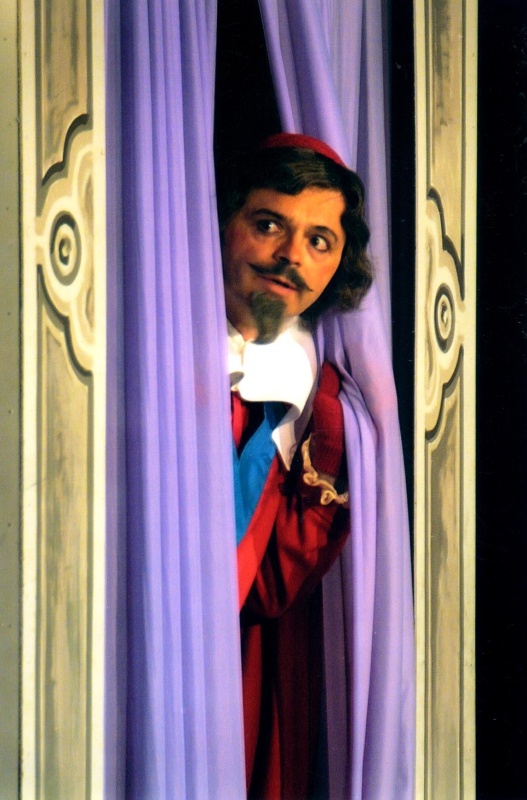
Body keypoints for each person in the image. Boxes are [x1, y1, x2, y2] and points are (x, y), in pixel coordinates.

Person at [218, 133, 373, 798]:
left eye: (319, 241)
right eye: (267, 225)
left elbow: (268, 588)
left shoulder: (320, 402)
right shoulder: (148, 341)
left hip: (225, 675)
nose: (290, 257)